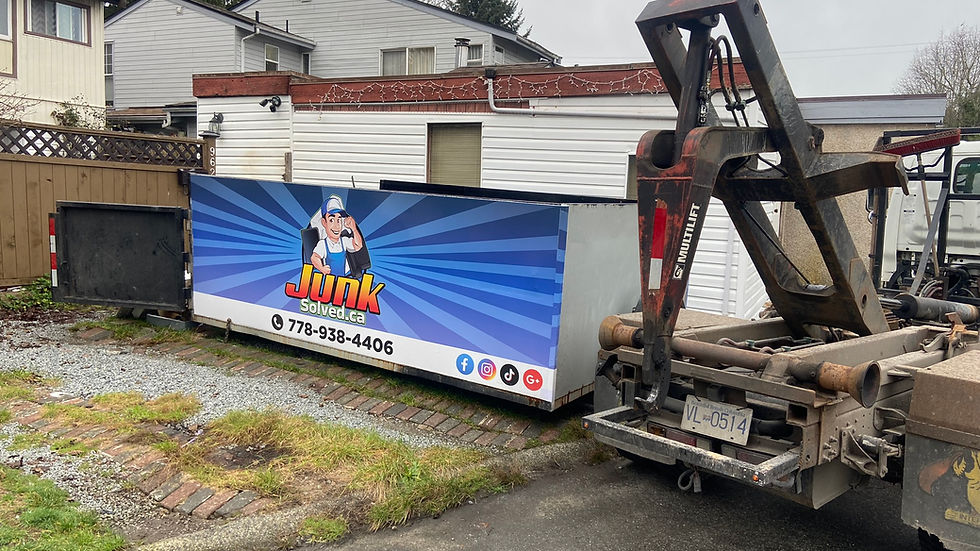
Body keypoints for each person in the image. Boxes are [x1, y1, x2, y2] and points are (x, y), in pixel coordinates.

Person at [310, 195, 363, 276]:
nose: (336, 225)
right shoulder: (323, 244)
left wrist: (354, 229)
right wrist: (322, 268)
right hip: (329, 282)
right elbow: (314, 258)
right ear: (324, 222)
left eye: (339, 220)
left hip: (341, 282)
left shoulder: (344, 241)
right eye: (331, 220)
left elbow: (358, 245)